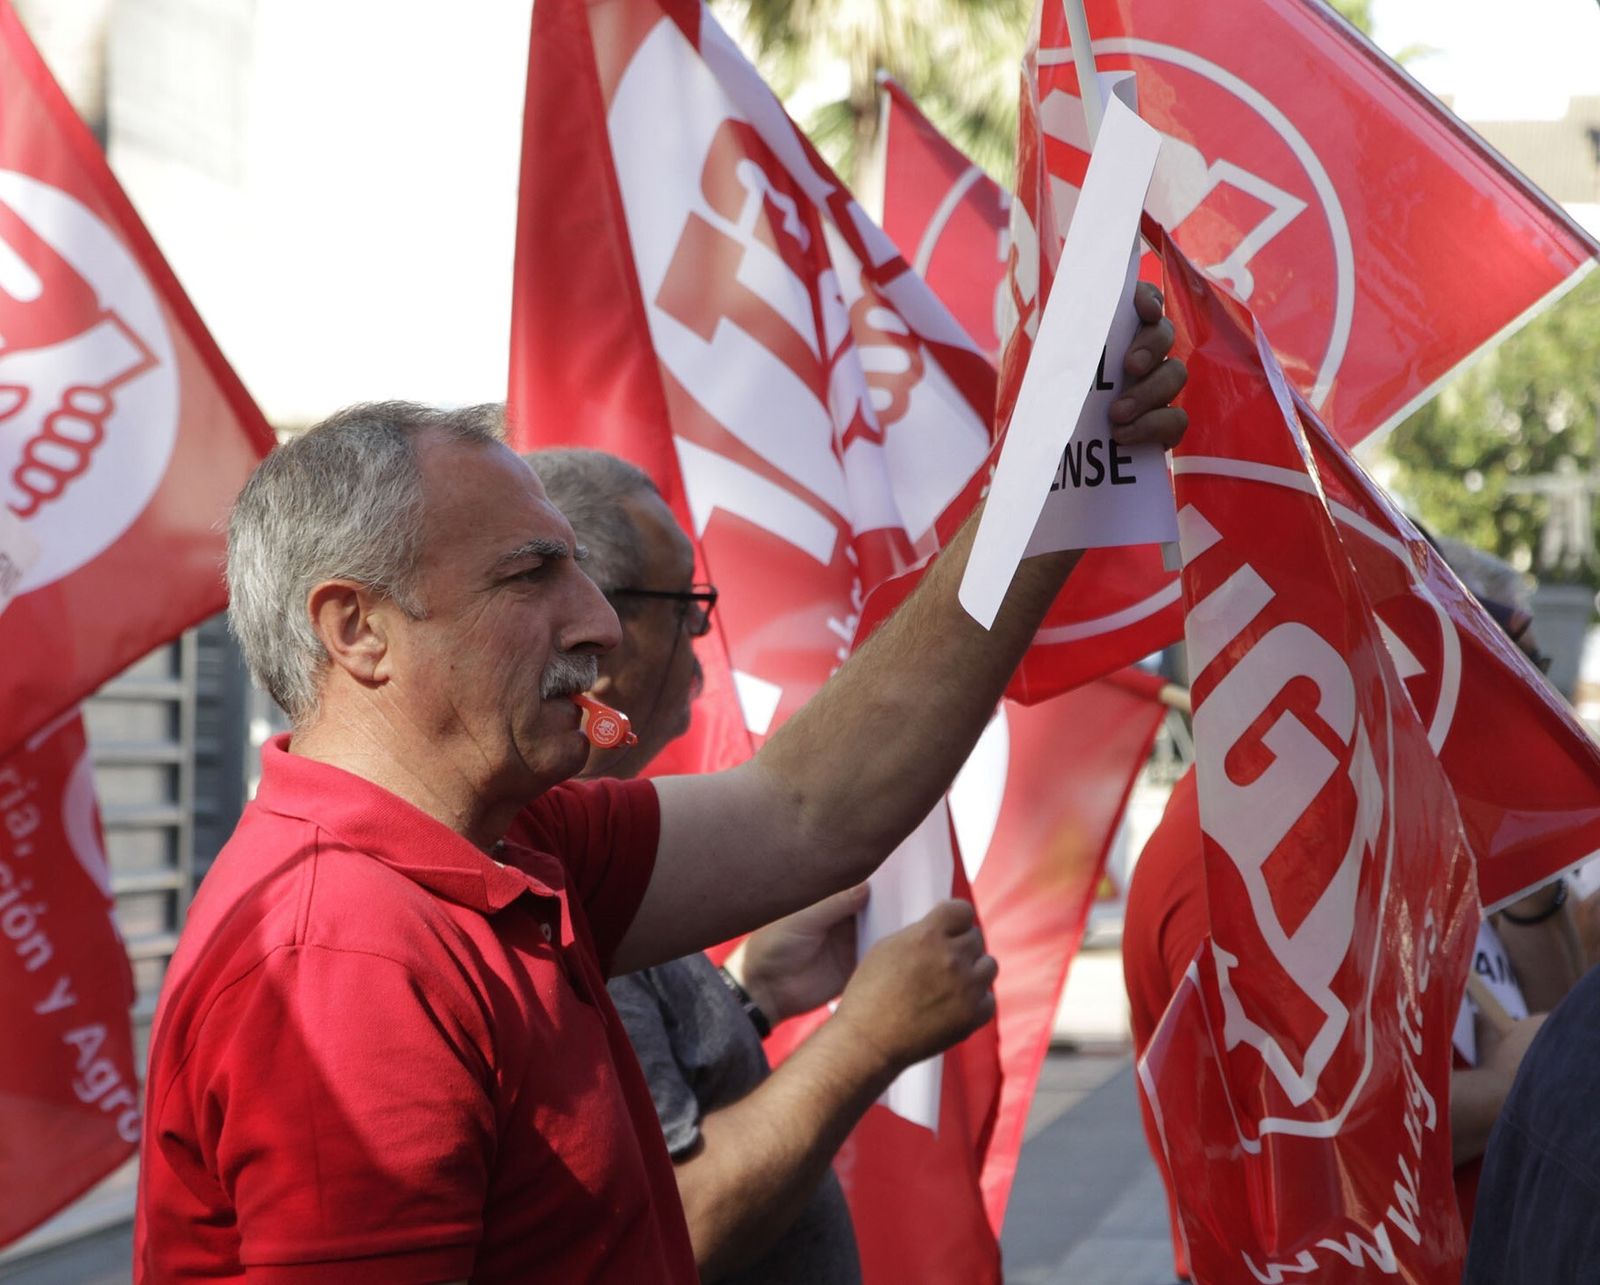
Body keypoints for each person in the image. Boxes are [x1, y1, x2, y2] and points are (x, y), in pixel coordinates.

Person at [133, 284, 1187, 1281]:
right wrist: (861, 1041)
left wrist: (1048, 489)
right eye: (530, 575)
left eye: (581, 572)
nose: (598, 624)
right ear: (356, 628)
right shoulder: (348, 962)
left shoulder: (505, 842)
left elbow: (808, 811)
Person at [533, 447, 990, 1283]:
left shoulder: (572, 844)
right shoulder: (538, 878)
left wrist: (751, 996)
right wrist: (867, 1038)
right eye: (686, 608)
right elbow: (678, 1221)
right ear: (599, 631)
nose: (701, 644)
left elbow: (653, 1095)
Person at [1122, 545, 1581, 1283]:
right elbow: (1295, 1134)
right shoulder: (1222, 852)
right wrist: (1511, 1090)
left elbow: (1560, 1022)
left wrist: (1524, 881)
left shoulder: (1414, 797)